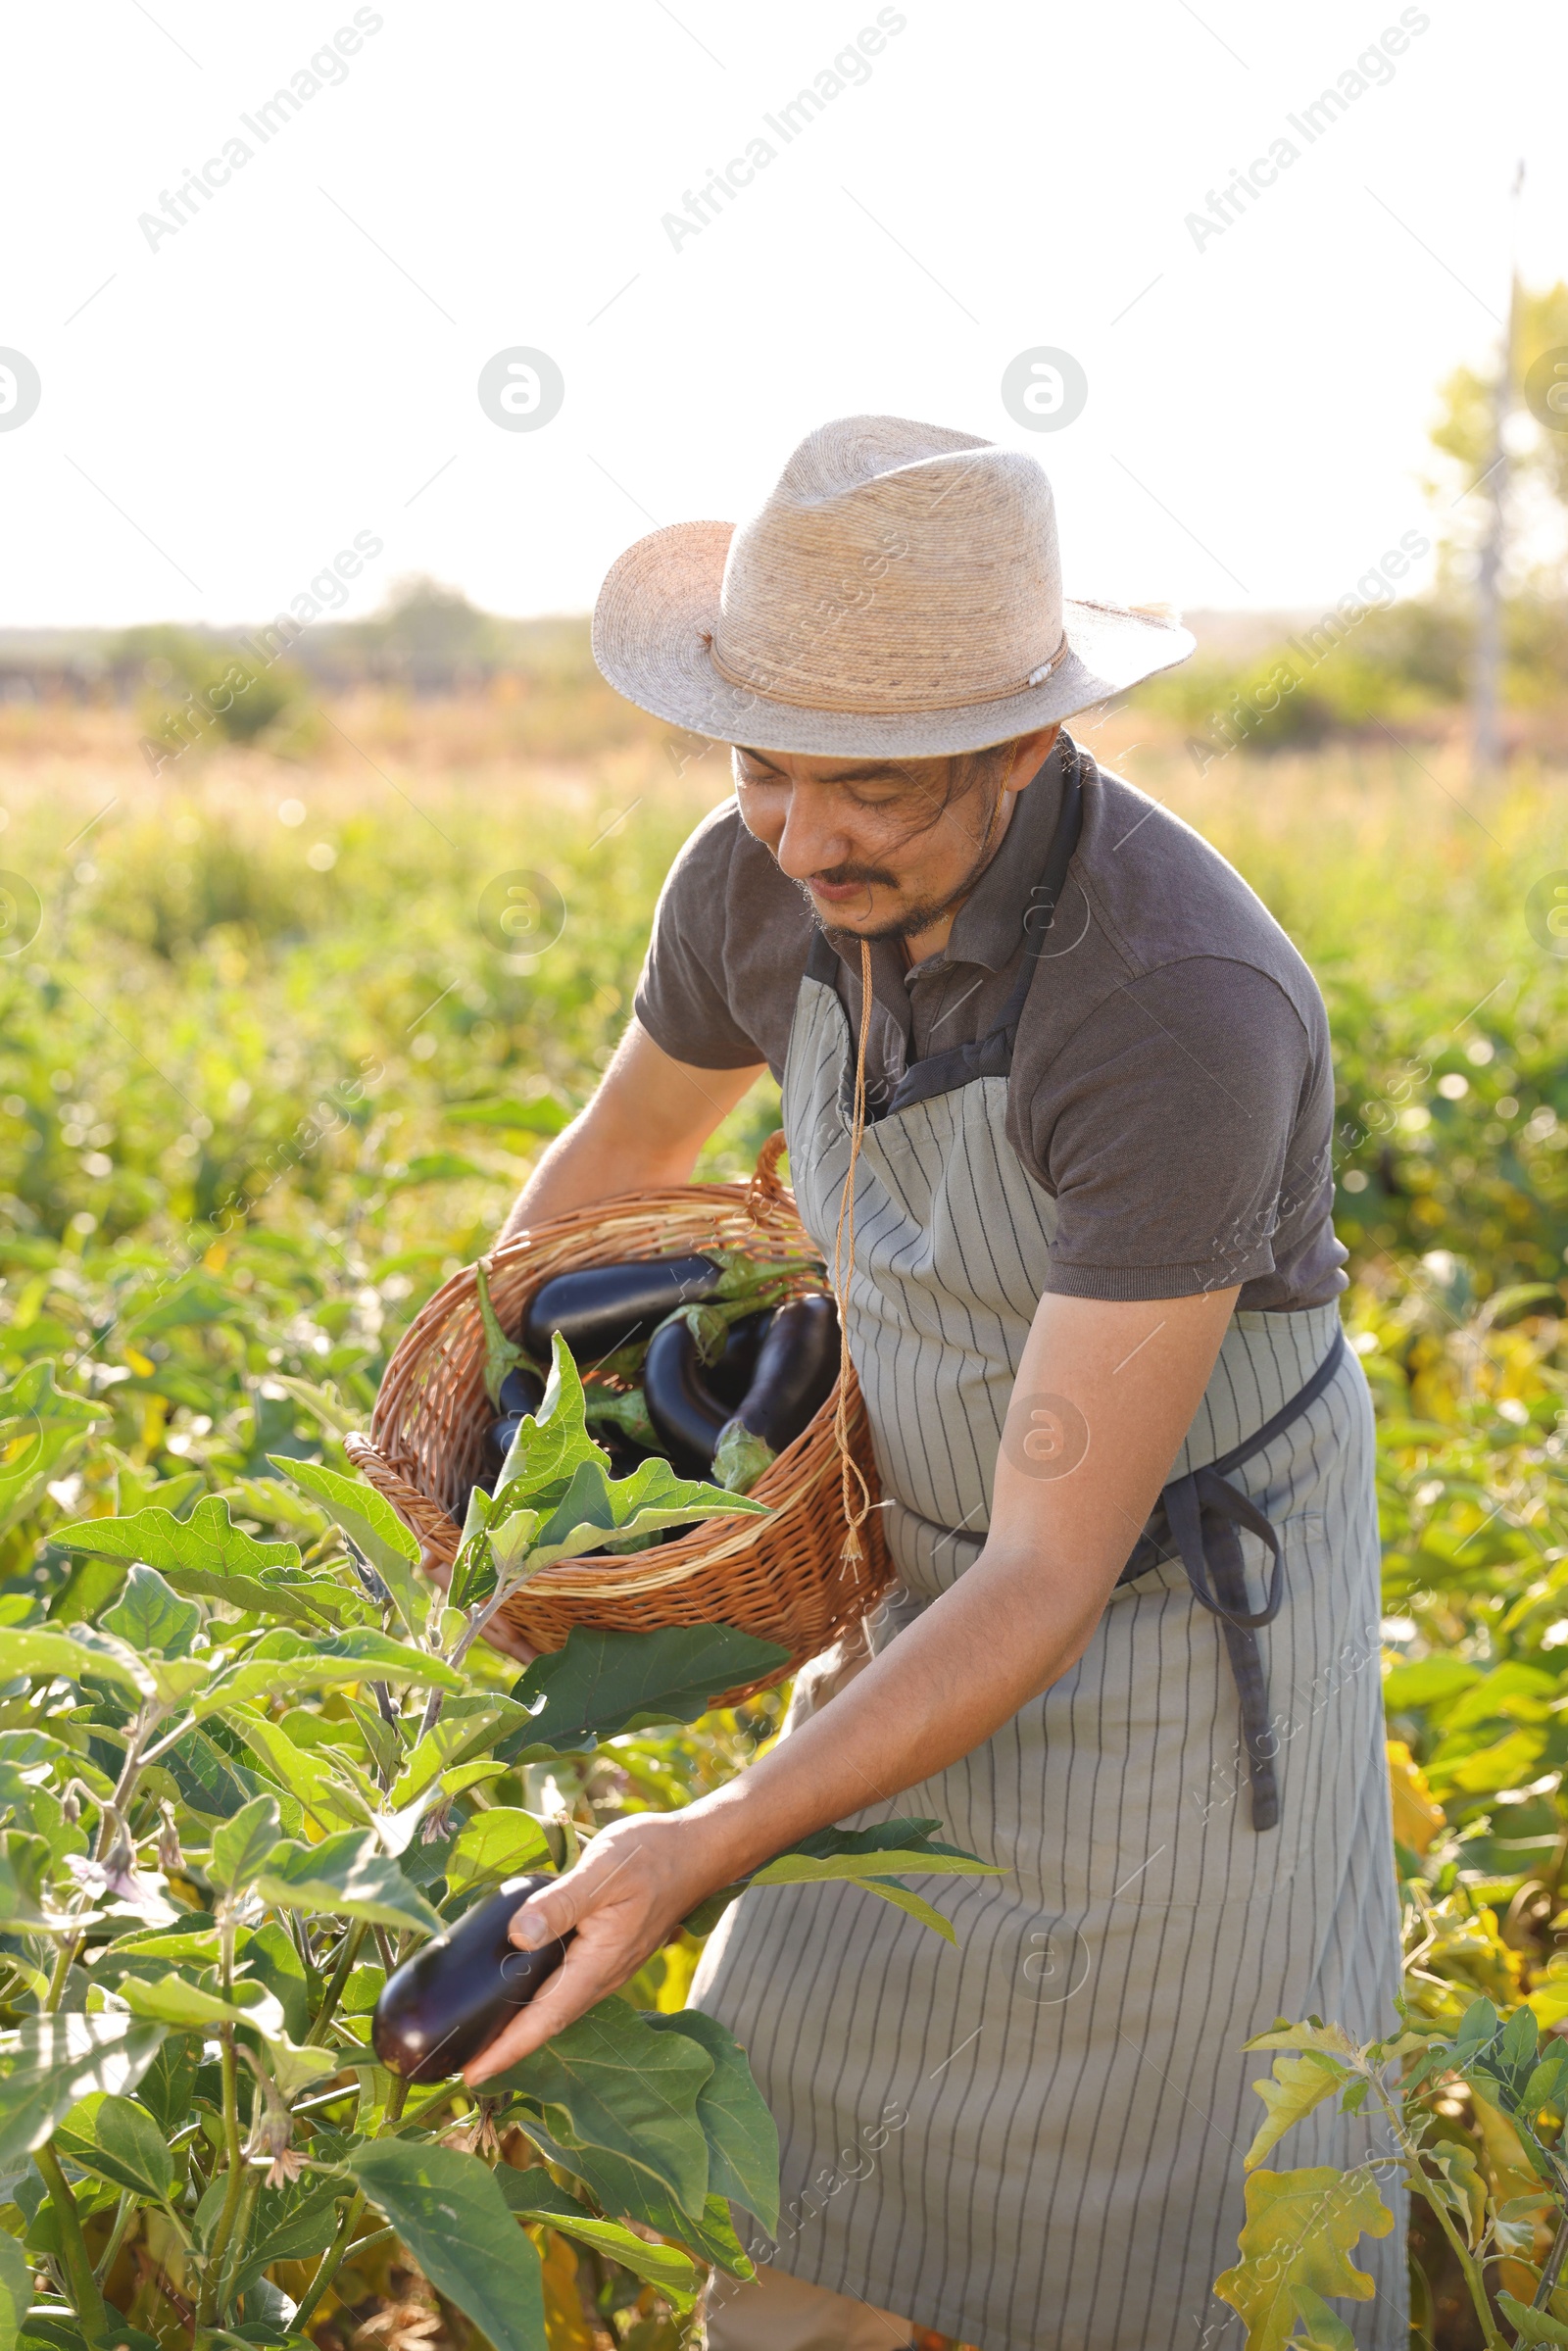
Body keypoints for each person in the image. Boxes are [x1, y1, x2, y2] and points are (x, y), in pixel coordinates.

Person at [464, 416, 1403, 2351]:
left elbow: (1052, 1575)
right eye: (763, 767)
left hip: (1162, 1637)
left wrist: (694, 1839)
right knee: (787, 2180)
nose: (808, 837)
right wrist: (489, 1442)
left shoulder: (1165, 1008)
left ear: (1024, 743)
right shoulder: (751, 881)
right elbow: (607, 1173)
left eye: (870, 785)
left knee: (1175, 2254)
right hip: (916, 1594)